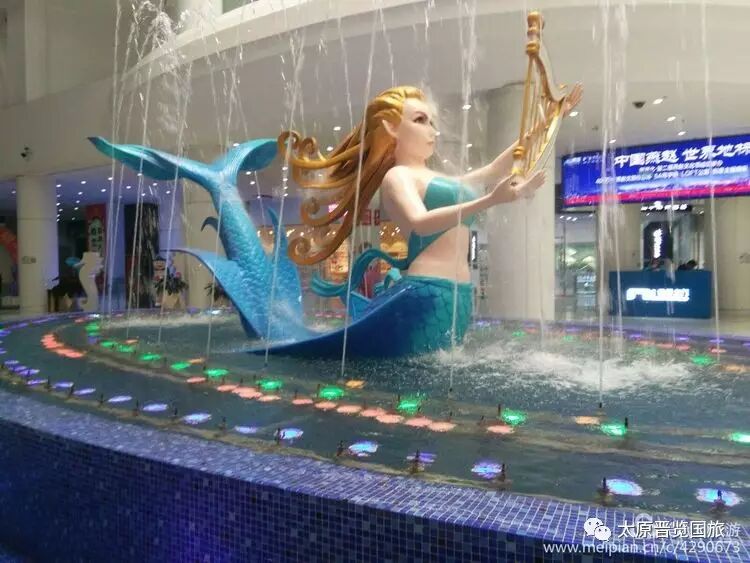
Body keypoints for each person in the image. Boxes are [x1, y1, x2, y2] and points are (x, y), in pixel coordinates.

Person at [279, 84, 583, 353]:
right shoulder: (398, 177)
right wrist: (491, 199)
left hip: (459, 293)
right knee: (422, 374)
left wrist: (549, 121)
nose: (432, 130)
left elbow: (495, 169)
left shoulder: (438, 178)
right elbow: (420, 222)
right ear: (391, 128)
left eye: (432, 122)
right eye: (420, 120)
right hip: (428, 290)